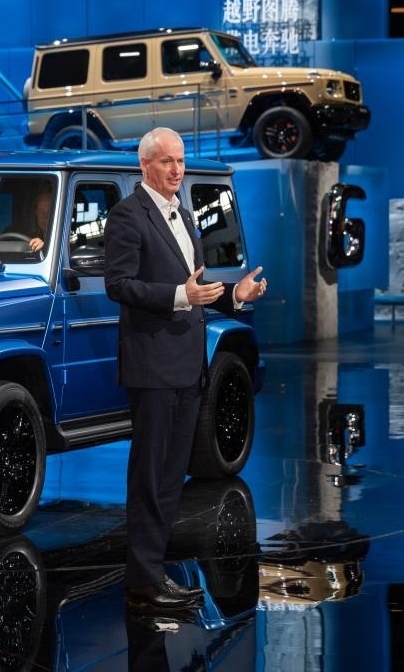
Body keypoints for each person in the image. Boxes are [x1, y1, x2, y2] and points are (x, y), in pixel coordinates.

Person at [104, 127, 267, 614]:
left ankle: (153, 573)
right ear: (145, 166)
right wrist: (180, 296)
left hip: (187, 366)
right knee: (150, 477)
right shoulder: (127, 214)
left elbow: (195, 285)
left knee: (172, 478)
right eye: (167, 161)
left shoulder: (185, 214)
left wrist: (234, 296)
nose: (177, 170)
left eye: (180, 161)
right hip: (152, 367)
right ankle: (142, 580)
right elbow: (119, 285)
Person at [28, 184, 52, 252]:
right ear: (36, 213)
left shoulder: (65, 237)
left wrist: (45, 247)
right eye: (41, 211)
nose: (45, 216)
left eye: (49, 211)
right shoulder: (28, 237)